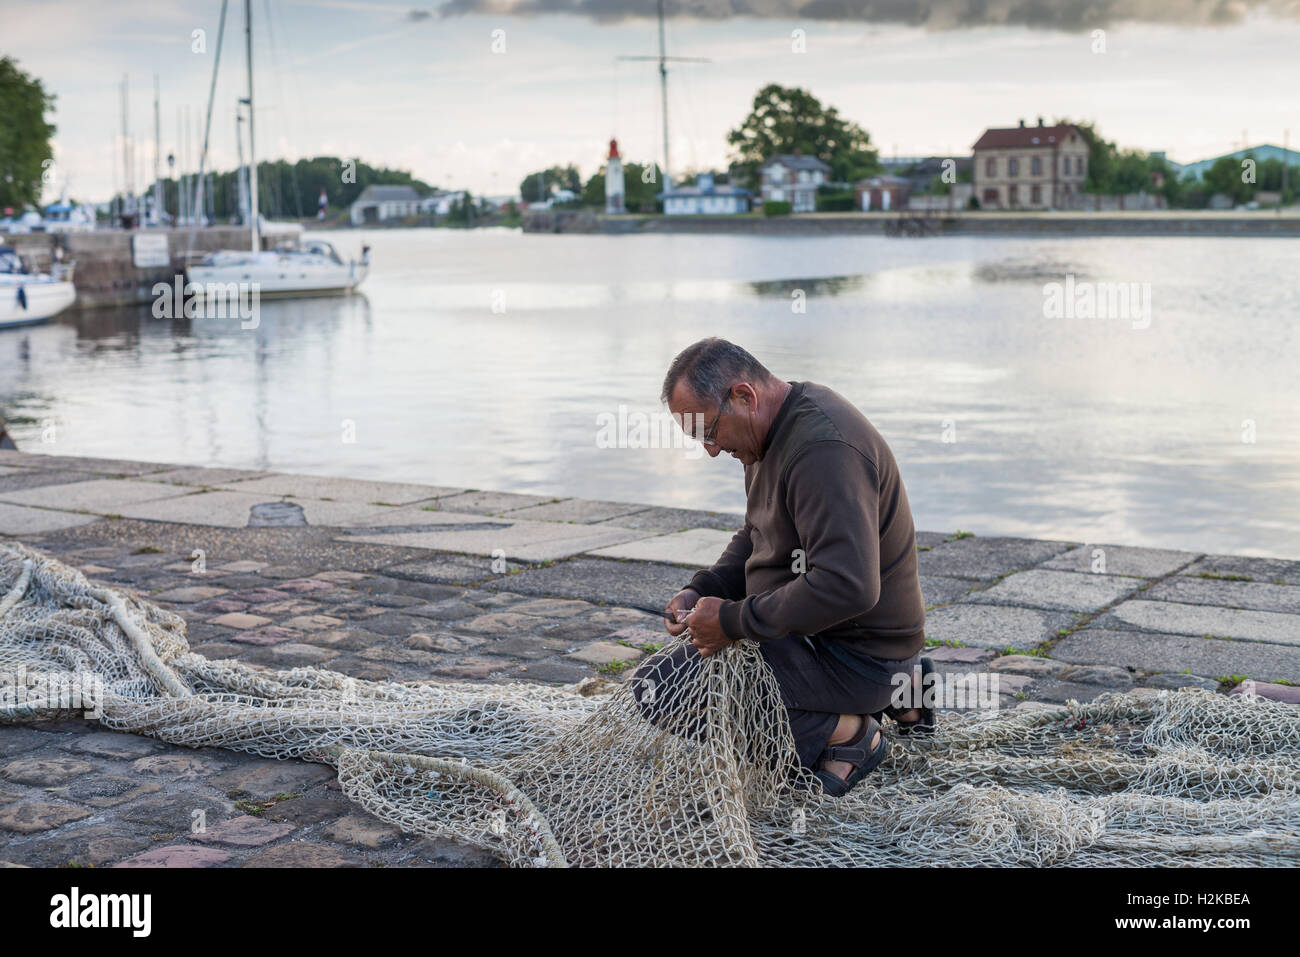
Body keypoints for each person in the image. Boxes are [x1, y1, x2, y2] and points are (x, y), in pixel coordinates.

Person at [631, 338, 932, 797]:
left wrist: (732, 621)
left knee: (668, 695)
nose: (711, 450)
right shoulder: (767, 431)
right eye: (699, 439)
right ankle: (904, 691)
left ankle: (850, 734)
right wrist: (705, 588)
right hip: (817, 639)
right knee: (659, 687)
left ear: (744, 396)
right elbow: (758, 533)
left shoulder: (823, 449)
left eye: (709, 432)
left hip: (858, 654)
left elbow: (847, 586)